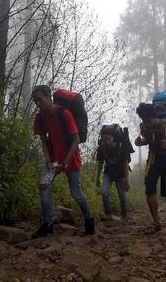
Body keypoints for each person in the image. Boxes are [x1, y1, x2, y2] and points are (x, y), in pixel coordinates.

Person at [31, 85, 94, 237]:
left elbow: (76, 139)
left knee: (76, 193)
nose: (38, 103)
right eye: (35, 101)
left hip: (71, 160)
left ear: (48, 96)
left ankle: (90, 220)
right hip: (53, 160)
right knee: (44, 187)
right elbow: (44, 141)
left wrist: (65, 163)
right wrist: (48, 161)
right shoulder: (40, 118)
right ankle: (48, 224)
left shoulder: (64, 113)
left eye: (40, 99)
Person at [134, 102, 166, 232]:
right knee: (149, 187)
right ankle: (156, 222)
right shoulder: (145, 127)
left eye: (148, 120)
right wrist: (140, 142)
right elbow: (148, 140)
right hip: (154, 159)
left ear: (154, 116)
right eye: (144, 120)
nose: (147, 123)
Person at [95, 125, 133, 221]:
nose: (106, 142)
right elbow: (100, 163)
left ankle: (124, 215)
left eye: (108, 139)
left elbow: (125, 164)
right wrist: (97, 177)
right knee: (104, 192)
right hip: (108, 173)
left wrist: (127, 181)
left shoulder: (121, 147)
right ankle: (108, 214)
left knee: (122, 196)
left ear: (114, 138)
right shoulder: (101, 148)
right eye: (104, 140)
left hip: (120, 174)